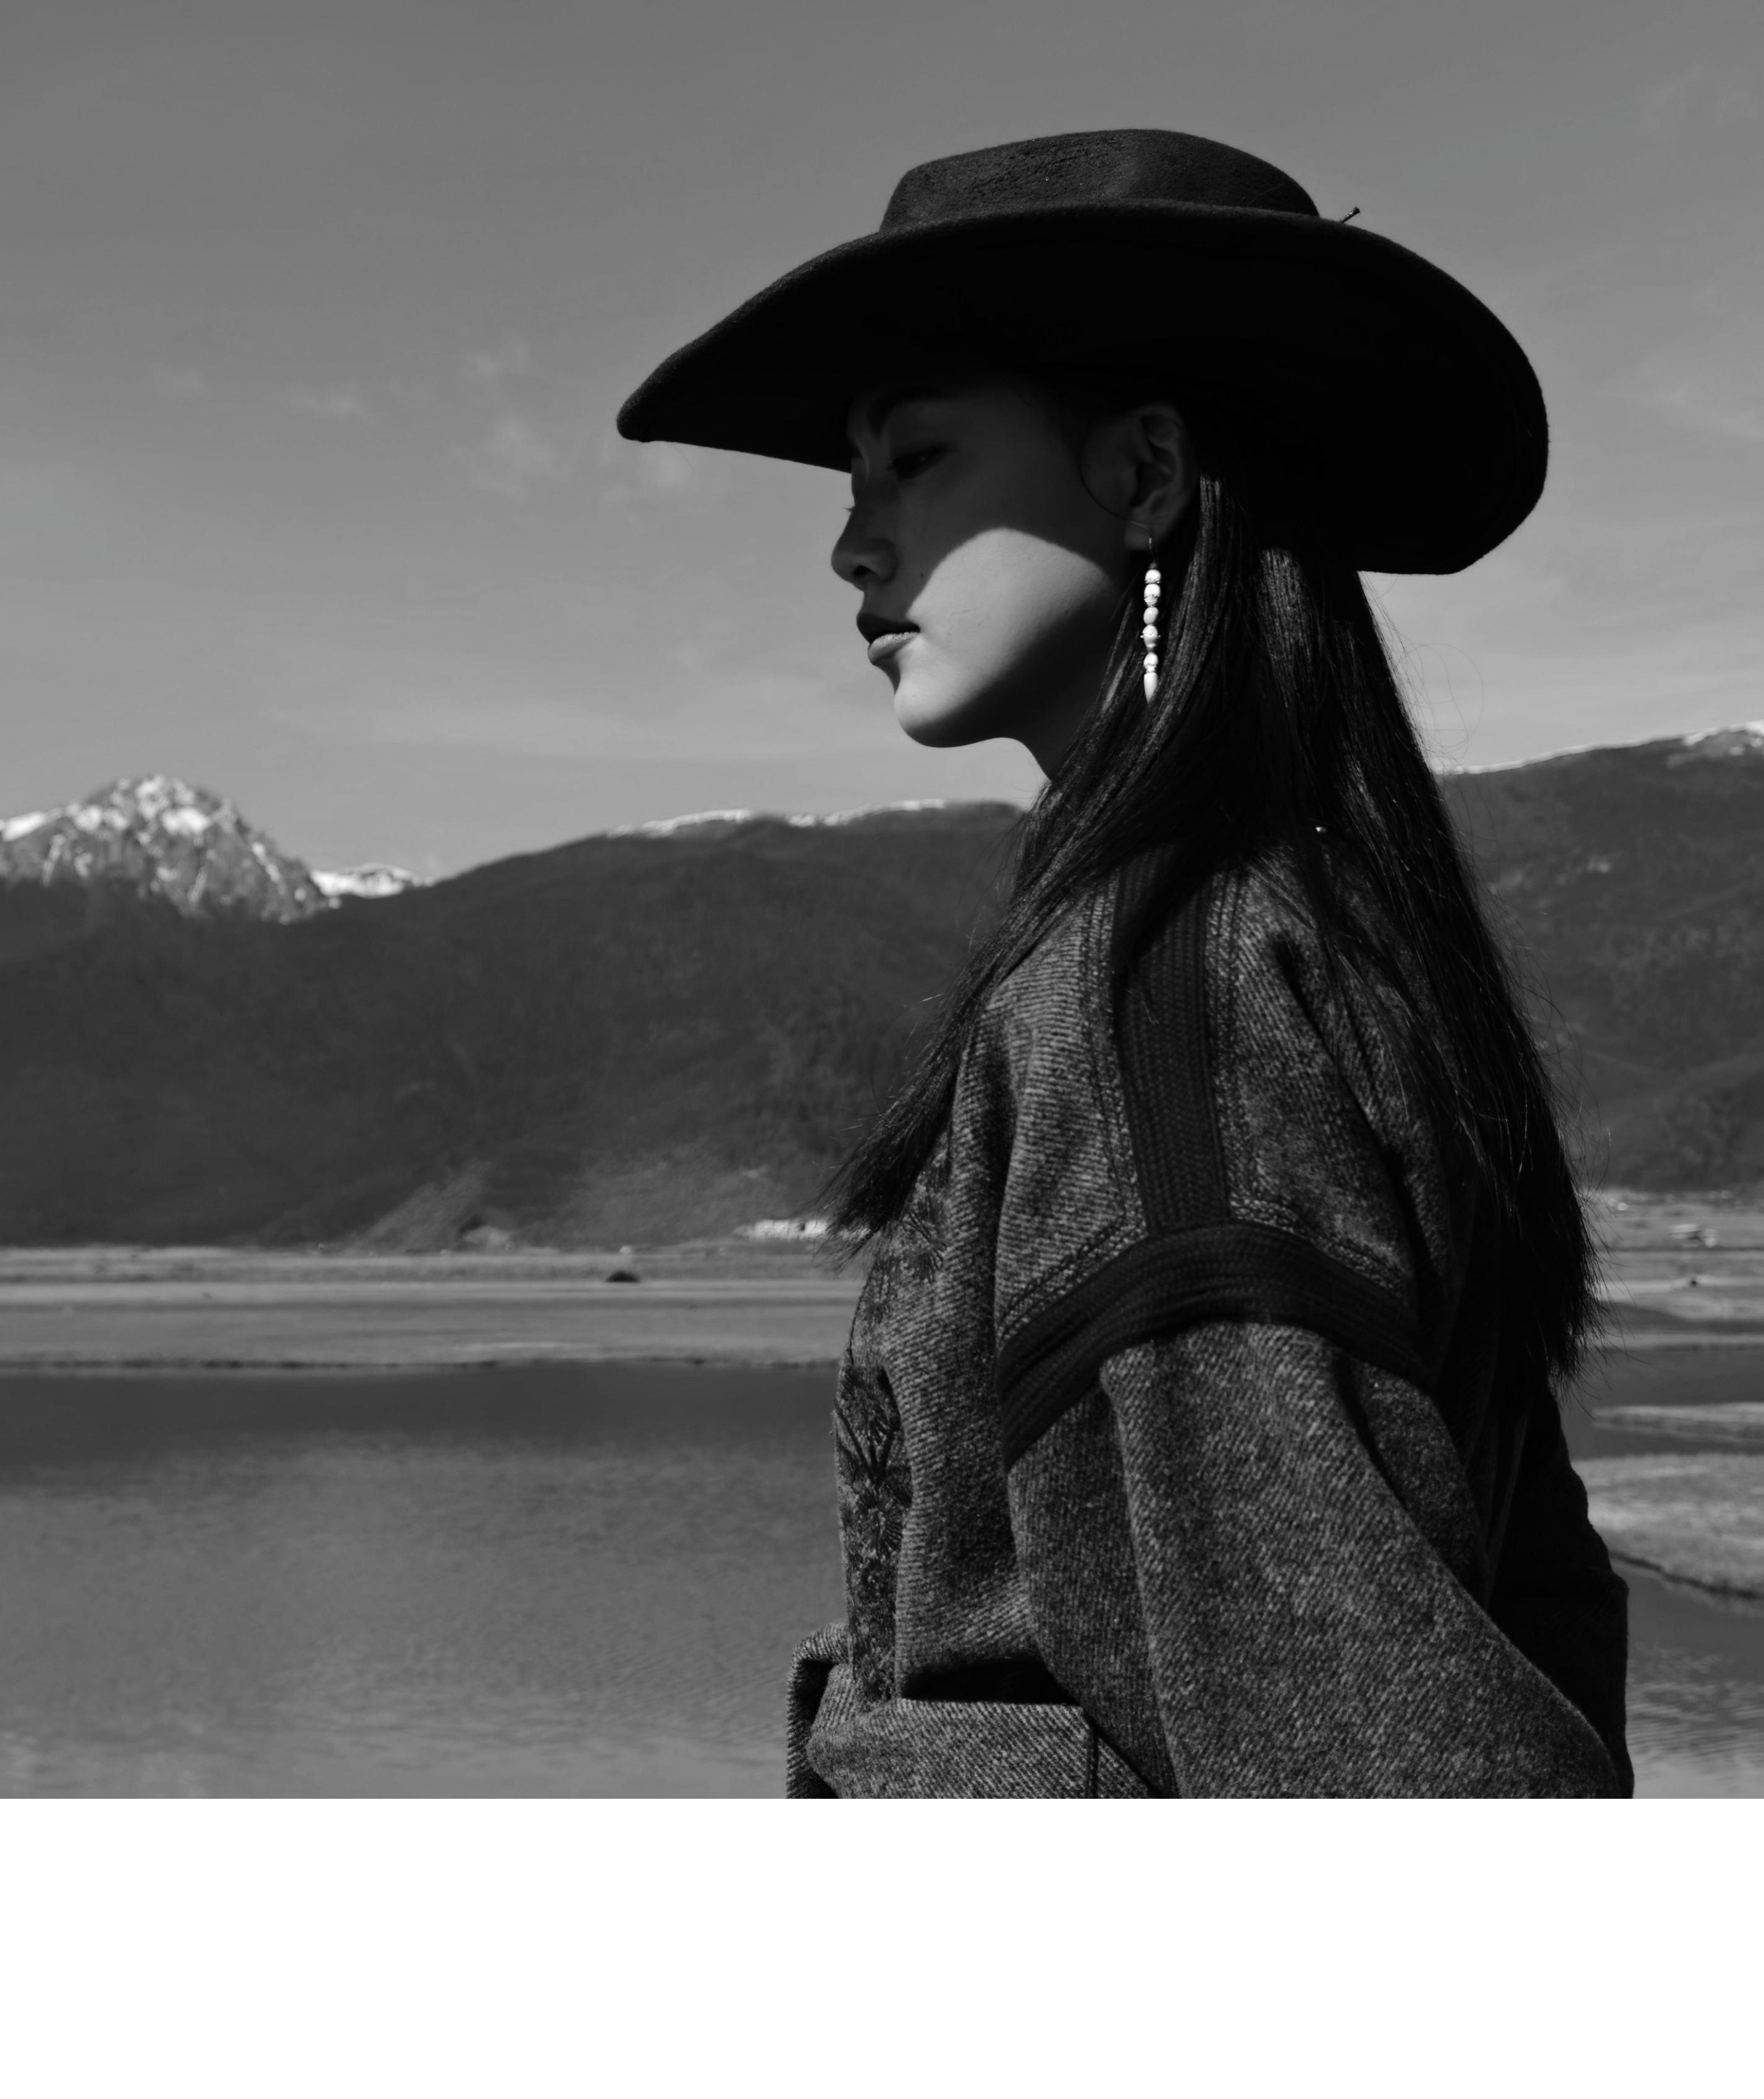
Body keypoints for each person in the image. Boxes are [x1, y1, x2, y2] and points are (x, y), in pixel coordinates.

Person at [617, 129, 1629, 1795]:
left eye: (915, 460)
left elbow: (1374, 1758)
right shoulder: (1288, 946)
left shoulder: (1174, 998)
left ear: (1146, 474)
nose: (851, 547)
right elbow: (1536, 1616)